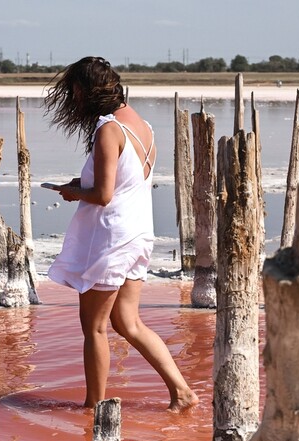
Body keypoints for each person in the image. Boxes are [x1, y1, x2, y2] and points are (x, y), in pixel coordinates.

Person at [43, 56, 198, 412]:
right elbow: (124, 182)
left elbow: (103, 195)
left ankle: (92, 409)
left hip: (111, 239)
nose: (73, 99)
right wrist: (81, 185)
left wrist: (73, 192)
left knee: (94, 328)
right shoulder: (143, 127)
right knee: (128, 322)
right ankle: (182, 391)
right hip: (138, 234)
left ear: (84, 91)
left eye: (73, 92)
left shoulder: (108, 129)